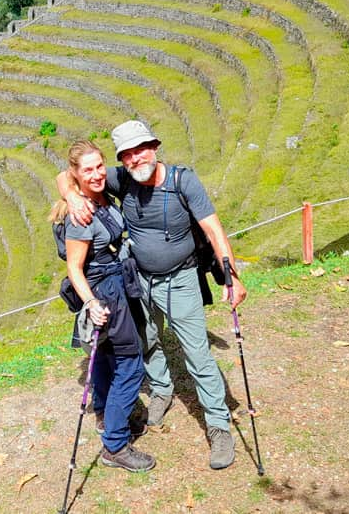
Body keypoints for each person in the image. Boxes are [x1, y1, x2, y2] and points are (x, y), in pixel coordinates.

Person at [58, 120, 247, 470]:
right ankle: (161, 388)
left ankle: (219, 426)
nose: (134, 158)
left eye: (140, 149)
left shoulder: (182, 181)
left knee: (197, 353)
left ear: (155, 146)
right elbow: (72, 173)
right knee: (146, 340)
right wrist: (70, 195)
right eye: (126, 154)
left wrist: (231, 278)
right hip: (137, 280)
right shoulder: (123, 178)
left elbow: (213, 228)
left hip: (180, 280)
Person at [50, 139, 154, 472]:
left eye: (99, 167)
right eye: (88, 170)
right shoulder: (80, 216)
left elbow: (61, 177)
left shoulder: (97, 195)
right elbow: (74, 268)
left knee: (107, 356)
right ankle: (115, 445)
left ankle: (105, 413)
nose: (96, 174)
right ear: (75, 174)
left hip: (115, 284)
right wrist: (92, 302)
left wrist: (71, 191)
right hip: (105, 290)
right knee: (130, 362)